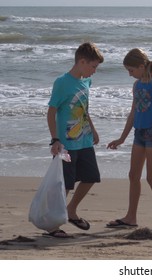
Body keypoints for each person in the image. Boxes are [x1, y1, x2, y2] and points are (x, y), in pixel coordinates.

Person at [106, 48, 152, 231]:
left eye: (131, 70)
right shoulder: (136, 86)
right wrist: (121, 138)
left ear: (142, 66)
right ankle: (131, 217)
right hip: (139, 134)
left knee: (151, 177)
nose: (130, 74)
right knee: (133, 175)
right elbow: (133, 113)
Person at [46, 42, 104, 238]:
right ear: (82, 61)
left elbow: (84, 109)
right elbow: (51, 111)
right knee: (66, 184)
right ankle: (53, 225)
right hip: (66, 144)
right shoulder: (62, 82)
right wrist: (55, 140)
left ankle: (71, 211)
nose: (94, 71)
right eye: (93, 66)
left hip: (85, 140)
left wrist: (93, 130)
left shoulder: (86, 82)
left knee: (91, 177)